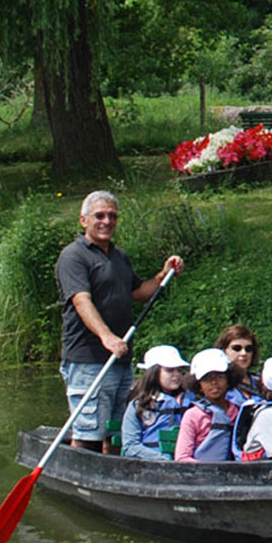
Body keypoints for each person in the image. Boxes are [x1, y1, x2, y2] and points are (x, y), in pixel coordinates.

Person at [55, 190, 184, 452]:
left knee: (116, 432)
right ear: (84, 220)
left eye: (112, 216)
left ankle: (114, 475)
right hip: (88, 358)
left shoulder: (118, 256)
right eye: (99, 216)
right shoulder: (74, 256)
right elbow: (81, 301)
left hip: (121, 357)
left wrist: (163, 274)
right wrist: (107, 337)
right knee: (89, 431)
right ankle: (84, 483)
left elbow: (138, 292)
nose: (106, 221)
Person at [119, 345, 192, 461]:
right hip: (150, 466)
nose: (176, 374)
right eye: (169, 370)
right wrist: (162, 460)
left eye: (179, 370)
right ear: (153, 372)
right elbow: (131, 445)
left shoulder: (191, 403)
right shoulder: (138, 406)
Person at [175, 349, 239, 462]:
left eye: (219, 377)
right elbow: (182, 457)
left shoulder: (238, 411)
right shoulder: (192, 415)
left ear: (228, 379)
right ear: (199, 385)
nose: (214, 383)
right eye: (207, 379)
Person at [216, 325, 264, 403]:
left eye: (248, 349)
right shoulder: (217, 384)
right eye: (237, 348)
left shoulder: (261, 382)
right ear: (224, 350)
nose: (243, 353)